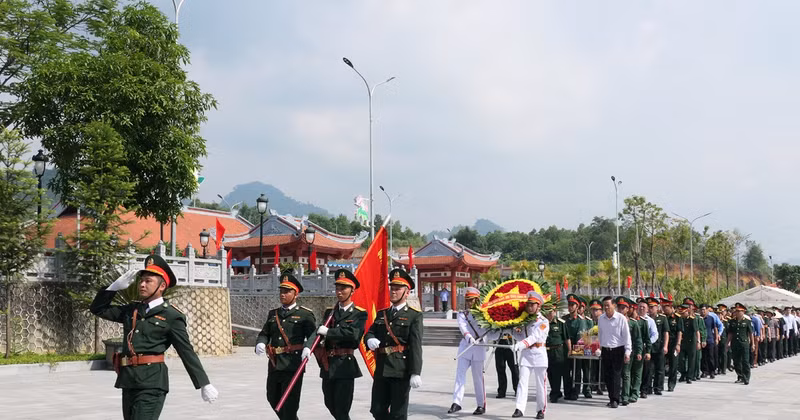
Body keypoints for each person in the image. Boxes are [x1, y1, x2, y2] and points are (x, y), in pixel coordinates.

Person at [90, 255, 219, 420]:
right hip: (128, 380)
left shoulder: (171, 316)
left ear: (162, 286)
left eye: (148, 281)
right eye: (141, 280)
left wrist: (204, 383)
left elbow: (186, 351)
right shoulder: (132, 310)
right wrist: (113, 288)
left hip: (152, 383)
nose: (142, 284)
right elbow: (98, 309)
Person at [255, 271, 316, 420]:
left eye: (287, 291)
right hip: (275, 364)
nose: (283, 294)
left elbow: (314, 335)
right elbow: (265, 333)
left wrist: (308, 347)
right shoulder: (273, 314)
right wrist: (261, 342)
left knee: (289, 405)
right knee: (273, 398)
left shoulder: (304, 314)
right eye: (281, 291)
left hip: (293, 365)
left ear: (296, 294)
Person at [364, 268, 423, 420]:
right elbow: (370, 332)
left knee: (398, 413)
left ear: (407, 292)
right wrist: (369, 339)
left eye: (398, 289)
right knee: (377, 410)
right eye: (392, 288)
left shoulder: (414, 315)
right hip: (382, 369)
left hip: (400, 370)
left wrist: (415, 372)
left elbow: (416, 345)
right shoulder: (382, 313)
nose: (393, 291)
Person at [315, 269, 367, 420]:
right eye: (337, 288)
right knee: (329, 403)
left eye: (343, 288)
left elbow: (354, 334)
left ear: (352, 290)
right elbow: (319, 330)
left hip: (345, 365)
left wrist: (329, 333)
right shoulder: (330, 312)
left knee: (342, 408)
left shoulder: (359, 313)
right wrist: (308, 346)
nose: (339, 292)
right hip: (328, 365)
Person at [449, 287, 487, 415]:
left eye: (472, 300)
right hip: (465, 346)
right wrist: (469, 337)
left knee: (478, 378)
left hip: (479, 348)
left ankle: (481, 404)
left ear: (477, 300)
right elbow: (463, 327)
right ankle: (457, 402)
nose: (469, 303)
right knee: (460, 375)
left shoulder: (485, 314)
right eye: (468, 300)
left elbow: (489, 330)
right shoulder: (462, 314)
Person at [512, 291, 549, 419]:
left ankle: (541, 409)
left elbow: (535, 337)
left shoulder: (544, 321)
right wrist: (511, 331)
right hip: (527, 355)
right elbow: (521, 336)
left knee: (540, 385)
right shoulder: (525, 320)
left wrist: (521, 344)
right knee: (522, 382)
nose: (529, 307)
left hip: (539, 354)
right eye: (528, 305)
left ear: (538, 306)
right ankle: (519, 408)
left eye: (532, 305)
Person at [598, 296, 631, 409]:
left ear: (614, 305)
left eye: (608, 305)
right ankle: (611, 398)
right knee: (607, 376)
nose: (606, 307)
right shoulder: (601, 318)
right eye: (605, 305)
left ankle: (615, 399)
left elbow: (626, 336)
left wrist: (627, 351)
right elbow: (600, 334)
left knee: (616, 375)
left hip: (618, 349)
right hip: (606, 350)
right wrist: (599, 347)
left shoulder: (621, 318)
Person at [563, 294, 587, 400]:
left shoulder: (581, 321)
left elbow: (581, 337)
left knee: (577, 371)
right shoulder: (564, 320)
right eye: (569, 305)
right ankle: (567, 391)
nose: (570, 307)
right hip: (565, 348)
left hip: (577, 347)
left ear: (577, 307)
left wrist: (575, 349)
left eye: (573, 305)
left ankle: (576, 391)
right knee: (566, 371)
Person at [621, 297, 643, 406]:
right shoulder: (614, 322)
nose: (621, 309)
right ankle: (620, 394)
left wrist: (639, 352)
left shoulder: (633, 323)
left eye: (623, 307)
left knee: (626, 373)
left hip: (629, 352)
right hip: (616, 351)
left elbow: (638, 339)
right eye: (619, 307)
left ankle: (625, 395)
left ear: (628, 309)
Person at [545, 306, 570, 403]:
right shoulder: (543, 323)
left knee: (556, 373)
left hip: (558, 351)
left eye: (551, 312)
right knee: (549, 373)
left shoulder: (560, 323)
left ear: (555, 312)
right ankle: (556, 391)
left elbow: (566, 338)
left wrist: (569, 350)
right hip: (546, 351)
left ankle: (554, 394)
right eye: (547, 312)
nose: (549, 314)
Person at [727, 302, 755, 385]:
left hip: (744, 343)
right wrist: (727, 343)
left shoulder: (747, 321)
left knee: (745, 361)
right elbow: (730, 333)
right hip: (735, 343)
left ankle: (746, 378)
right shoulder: (732, 321)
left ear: (743, 312)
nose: (737, 313)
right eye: (736, 311)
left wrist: (753, 344)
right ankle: (740, 376)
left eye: (739, 311)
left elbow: (750, 333)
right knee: (736, 361)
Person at [645, 297, 668, 395]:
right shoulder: (645, 319)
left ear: (657, 307)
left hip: (659, 346)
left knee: (660, 369)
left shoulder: (662, 318)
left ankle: (658, 388)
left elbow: (665, 333)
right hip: (649, 348)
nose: (650, 309)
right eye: (649, 307)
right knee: (649, 369)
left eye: (652, 307)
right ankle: (648, 387)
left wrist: (665, 346)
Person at [635, 298, 656, 399]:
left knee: (646, 370)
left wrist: (647, 344)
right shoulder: (634, 319)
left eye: (644, 307)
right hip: (634, 348)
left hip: (645, 348)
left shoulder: (650, 321)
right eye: (640, 307)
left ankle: (644, 390)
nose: (641, 309)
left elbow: (654, 335)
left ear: (647, 309)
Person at [662, 297, 683, 392]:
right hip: (663, 344)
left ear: (670, 307)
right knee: (661, 365)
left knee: (673, 365)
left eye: (665, 307)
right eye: (663, 307)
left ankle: (671, 384)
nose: (663, 309)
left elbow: (679, 332)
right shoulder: (662, 317)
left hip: (674, 344)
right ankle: (659, 385)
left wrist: (678, 344)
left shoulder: (677, 318)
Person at [677, 302, 700, 384]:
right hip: (682, 342)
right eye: (681, 313)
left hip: (691, 342)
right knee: (681, 360)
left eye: (684, 312)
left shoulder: (692, 319)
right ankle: (683, 374)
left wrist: (698, 342)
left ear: (687, 311)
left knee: (691, 360)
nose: (682, 314)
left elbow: (697, 331)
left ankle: (689, 377)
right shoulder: (680, 319)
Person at [495, 329, 519, 399]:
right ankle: (502, 391)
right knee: (500, 369)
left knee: (514, 369)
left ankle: (517, 389)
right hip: (499, 345)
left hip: (511, 346)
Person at [700, 304, 722, 379]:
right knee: (703, 357)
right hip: (701, 340)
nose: (702, 311)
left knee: (710, 356)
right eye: (701, 310)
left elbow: (715, 328)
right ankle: (704, 371)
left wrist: (716, 338)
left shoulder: (711, 318)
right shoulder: (699, 318)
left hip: (710, 339)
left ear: (707, 310)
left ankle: (712, 371)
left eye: (704, 309)